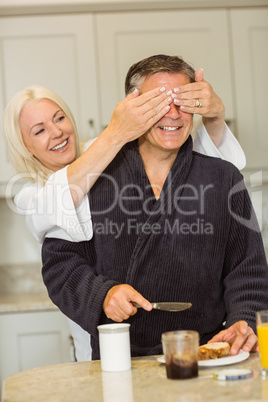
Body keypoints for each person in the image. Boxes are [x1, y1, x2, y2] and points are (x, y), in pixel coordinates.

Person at [41, 54, 268, 360]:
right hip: (120, 356)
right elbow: (60, 264)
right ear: (132, 109)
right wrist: (102, 295)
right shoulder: (92, 176)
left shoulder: (223, 176)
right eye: (158, 103)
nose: (173, 114)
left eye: (182, 102)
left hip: (206, 356)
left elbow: (247, 269)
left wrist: (244, 318)